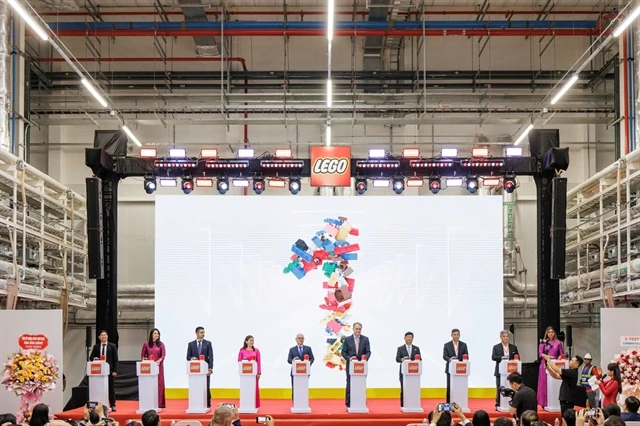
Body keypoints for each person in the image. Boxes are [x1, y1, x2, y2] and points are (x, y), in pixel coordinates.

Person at [341, 322, 371, 408]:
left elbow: (368, 352)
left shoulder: (365, 339)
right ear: (353, 329)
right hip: (351, 366)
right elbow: (343, 352)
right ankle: (348, 403)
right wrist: (349, 358)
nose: (358, 330)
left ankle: (361, 402)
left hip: (362, 366)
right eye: (356, 329)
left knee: (361, 384)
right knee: (349, 383)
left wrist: (365, 359)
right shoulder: (347, 339)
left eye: (359, 329)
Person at [89, 330, 119, 411]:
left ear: (107, 336)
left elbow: (115, 359)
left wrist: (115, 370)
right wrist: (94, 358)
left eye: (105, 335)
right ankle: (98, 404)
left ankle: (112, 404)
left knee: (111, 388)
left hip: (109, 371)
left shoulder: (112, 346)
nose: (104, 336)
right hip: (99, 372)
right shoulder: (96, 347)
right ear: (99, 337)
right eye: (102, 335)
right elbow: (91, 357)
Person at [186, 326, 214, 408]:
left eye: (204, 332)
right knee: (196, 386)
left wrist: (210, 368)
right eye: (201, 332)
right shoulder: (191, 344)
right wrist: (192, 358)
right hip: (195, 370)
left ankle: (207, 403)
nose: (203, 334)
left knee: (206, 386)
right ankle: (196, 403)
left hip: (205, 370)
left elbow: (211, 357)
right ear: (196, 333)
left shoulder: (208, 343)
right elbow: (188, 357)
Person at [537, 326, 564, 408]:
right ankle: (543, 403)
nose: (551, 333)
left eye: (552, 332)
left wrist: (559, 357)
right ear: (547, 333)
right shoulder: (543, 343)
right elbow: (540, 354)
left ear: (554, 333)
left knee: (554, 381)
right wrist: (546, 357)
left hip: (555, 364)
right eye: (549, 332)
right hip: (545, 363)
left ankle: (554, 401)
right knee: (544, 383)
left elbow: (561, 353)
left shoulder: (558, 342)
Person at [492, 330, 519, 407]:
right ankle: (499, 403)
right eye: (504, 336)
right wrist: (501, 358)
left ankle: (513, 402)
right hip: (500, 371)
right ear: (500, 337)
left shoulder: (513, 347)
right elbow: (493, 357)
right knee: (499, 387)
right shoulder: (496, 347)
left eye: (507, 336)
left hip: (511, 370)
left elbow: (517, 357)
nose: (505, 338)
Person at [141, 328, 166, 408]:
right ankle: (149, 401)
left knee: (159, 384)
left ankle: (159, 403)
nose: (157, 335)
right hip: (149, 367)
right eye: (155, 333)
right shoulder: (146, 344)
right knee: (149, 384)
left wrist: (159, 360)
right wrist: (145, 359)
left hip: (158, 366)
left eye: (158, 334)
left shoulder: (161, 344)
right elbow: (143, 355)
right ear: (151, 334)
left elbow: (163, 355)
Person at [396, 331, 422, 407]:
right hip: (403, 373)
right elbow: (397, 359)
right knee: (403, 388)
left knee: (413, 389)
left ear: (413, 338)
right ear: (404, 338)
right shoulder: (400, 348)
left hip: (414, 373)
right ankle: (403, 404)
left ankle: (414, 403)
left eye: (411, 337)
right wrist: (403, 359)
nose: (409, 339)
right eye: (407, 337)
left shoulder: (416, 349)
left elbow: (420, 359)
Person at [443, 328, 469, 403]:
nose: (456, 336)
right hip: (450, 369)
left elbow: (466, 356)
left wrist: (462, 361)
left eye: (457, 335)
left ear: (460, 335)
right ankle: (448, 403)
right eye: (454, 335)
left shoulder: (464, 345)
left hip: (461, 369)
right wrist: (451, 359)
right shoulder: (447, 345)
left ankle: (460, 402)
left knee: (460, 387)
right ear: (451, 335)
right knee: (449, 387)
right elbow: (445, 356)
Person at [238, 335, 262, 409]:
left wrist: (258, 373)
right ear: (246, 341)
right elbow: (239, 361)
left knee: (254, 389)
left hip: (253, 374)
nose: (252, 342)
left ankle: (254, 405)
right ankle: (245, 404)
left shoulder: (256, 350)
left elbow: (259, 362)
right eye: (250, 340)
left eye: (253, 340)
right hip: (245, 375)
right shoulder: (242, 350)